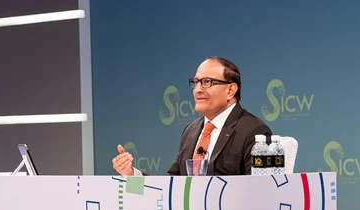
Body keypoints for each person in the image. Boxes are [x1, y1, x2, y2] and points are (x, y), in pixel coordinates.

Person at [112, 56, 272, 176]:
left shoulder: (253, 130)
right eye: (196, 82)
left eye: (207, 82)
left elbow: (261, 191)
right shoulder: (191, 130)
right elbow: (171, 186)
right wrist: (132, 176)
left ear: (230, 90)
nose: (198, 90)